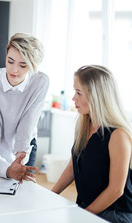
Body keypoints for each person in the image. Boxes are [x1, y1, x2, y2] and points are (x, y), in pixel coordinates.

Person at [52, 65, 132, 223]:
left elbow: (116, 190)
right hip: (87, 208)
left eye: (79, 93)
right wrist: (50, 195)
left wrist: (84, 215)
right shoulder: (82, 127)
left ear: (97, 96)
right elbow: (72, 167)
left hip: (115, 212)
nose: (73, 98)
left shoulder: (118, 136)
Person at [0, 33, 49, 172]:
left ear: (32, 66)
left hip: (25, 143)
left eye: (23, 65)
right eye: (10, 61)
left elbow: (27, 122)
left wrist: (19, 162)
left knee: (22, 189)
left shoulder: (40, 82)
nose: (14, 70)